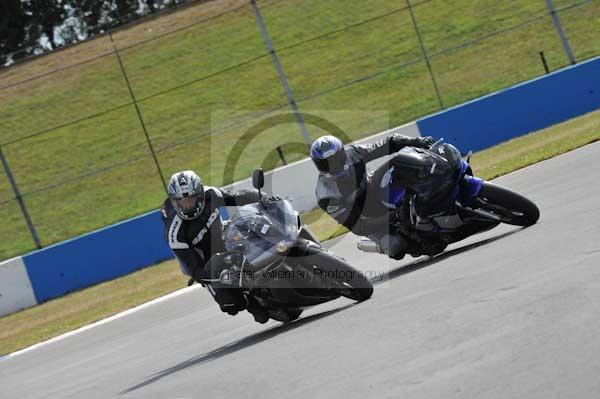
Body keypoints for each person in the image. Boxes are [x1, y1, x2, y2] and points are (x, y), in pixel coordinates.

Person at [160, 170, 275, 323]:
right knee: (231, 304)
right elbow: (194, 268)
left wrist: (263, 197)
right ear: (174, 201)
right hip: (204, 261)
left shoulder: (211, 194)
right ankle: (250, 302)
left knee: (253, 230)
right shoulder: (174, 232)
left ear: (200, 195)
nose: (187, 206)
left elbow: (236, 197)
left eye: (191, 200)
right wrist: (213, 277)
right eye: (181, 202)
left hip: (223, 236)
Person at [310, 133, 437, 259]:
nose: (334, 166)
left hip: (373, 186)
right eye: (326, 163)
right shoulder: (325, 195)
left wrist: (417, 141)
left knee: (400, 161)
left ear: (343, 153)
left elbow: (388, 143)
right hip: (366, 217)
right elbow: (358, 227)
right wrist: (394, 215)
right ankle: (385, 243)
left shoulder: (353, 153)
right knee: (396, 247)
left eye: (336, 159)